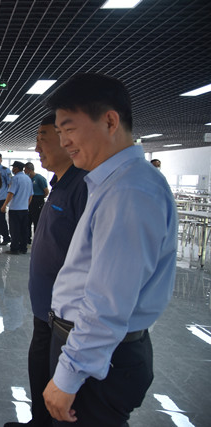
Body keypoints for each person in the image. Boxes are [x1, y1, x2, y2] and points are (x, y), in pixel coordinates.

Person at [42, 73, 177, 425]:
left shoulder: (130, 191)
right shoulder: (114, 182)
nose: (64, 141)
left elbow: (108, 301)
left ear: (110, 121)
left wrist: (70, 374)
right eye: (59, 131)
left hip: (100, 361)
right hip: (93, 350)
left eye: (69, 128)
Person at [3, 114, 88, 427]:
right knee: (39, 371)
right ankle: (37, 421)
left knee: (59, 390)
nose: (37, 147)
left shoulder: (83, 186)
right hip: (45, 312)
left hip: (66, 318)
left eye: (44, 137)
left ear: (67, 139)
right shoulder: (59, 185)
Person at [0, 161, 33, 255]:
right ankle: (23, 248)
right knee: (24, 230)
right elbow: (31, 195)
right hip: (25, 209)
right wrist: (27, 205)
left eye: (13, 167)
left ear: (17, 168)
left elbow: (11, 193)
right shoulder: (28, 178)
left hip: (15, 209)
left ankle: (14, 249)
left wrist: (4, 205)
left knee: (15, 230)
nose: (12, 169)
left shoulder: (15, 178)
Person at [24, 162, 49, 243]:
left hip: (38, 200)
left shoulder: (39, 178)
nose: (24, 171)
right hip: (29, 200)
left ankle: (37, 240)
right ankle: (27, 239)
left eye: (25, 169)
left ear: (29, 170)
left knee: (37, 221)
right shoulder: (27, 179)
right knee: (28, 221)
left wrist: (40, 198)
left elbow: (46, 191)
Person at [0, 153, 12, 245]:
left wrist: (8, 198)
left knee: (1, 219)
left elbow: (10, 184)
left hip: (1, 197)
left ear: (1, 159)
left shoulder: (5, 170)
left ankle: (6, 237)